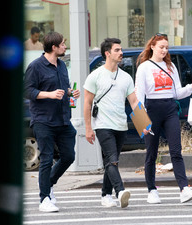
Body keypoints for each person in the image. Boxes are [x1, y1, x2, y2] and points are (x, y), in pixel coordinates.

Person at [135, 33, 192, 204]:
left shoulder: (170, 66)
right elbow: (138, 96)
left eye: (167, 47)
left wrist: (191, 87)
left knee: (176, 150)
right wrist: (141, 121)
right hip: (151, 110)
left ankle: (184, 189)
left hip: (170, 109)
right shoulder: (144, 67)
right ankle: (151, 190)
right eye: (161, 47)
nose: (164, 50)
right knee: (151, 152)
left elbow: (176, 93)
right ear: (152, 47)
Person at [83, 38, 149, 208]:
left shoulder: (126, 77)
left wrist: (143, 124)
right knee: (112, 160)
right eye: (117, 50)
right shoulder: (95, 76)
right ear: (107, 53)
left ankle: (105, 195)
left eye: (121, 50)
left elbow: (134, 101)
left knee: (111, 161)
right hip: (103, 125)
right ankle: (120, 191)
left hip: (121, 125)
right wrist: (88, 128)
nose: (121, 53)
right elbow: (87, 104)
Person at [24, 31, 80, 212]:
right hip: (43, 120)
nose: (65, 46)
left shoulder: (62, 65)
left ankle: (48, 185)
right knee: (47, 158)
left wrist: (71, 92)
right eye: (63, 44)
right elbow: (27, 91)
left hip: (63, 120)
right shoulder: (35, 66)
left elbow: (63, 87)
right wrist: (49, 94)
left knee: (69, 156)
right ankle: (44, 198)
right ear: (54, 47)